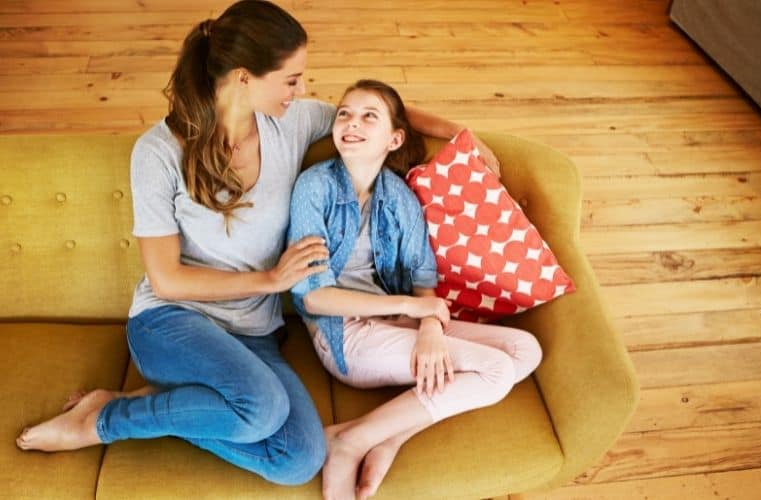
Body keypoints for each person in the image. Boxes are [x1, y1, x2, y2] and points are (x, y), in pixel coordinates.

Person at [15, 0, 499, 486]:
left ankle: (167, 403)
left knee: (299, 459)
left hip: (253, 335)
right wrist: (269, 279)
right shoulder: (158, 153)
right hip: (171, 323)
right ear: (244, 77)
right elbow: (167, 278)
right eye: (290, 79)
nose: (302, 89)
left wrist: (460, 134)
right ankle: (104, 421)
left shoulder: (290, 122)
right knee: (262, 409)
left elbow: (379, 116)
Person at [287, 80, 543, 500]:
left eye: (369, 116)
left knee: (525, 351)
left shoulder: (400, 196)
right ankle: (351, 444)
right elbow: (314, 296)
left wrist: (430, 330)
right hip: (344, 336)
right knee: (495, 372)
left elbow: (424, 278)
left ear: (395, 138)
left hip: (399, 324)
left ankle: (384, 437)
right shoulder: (316, 188)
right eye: (344, 114)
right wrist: (417, 311)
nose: (352, 122)